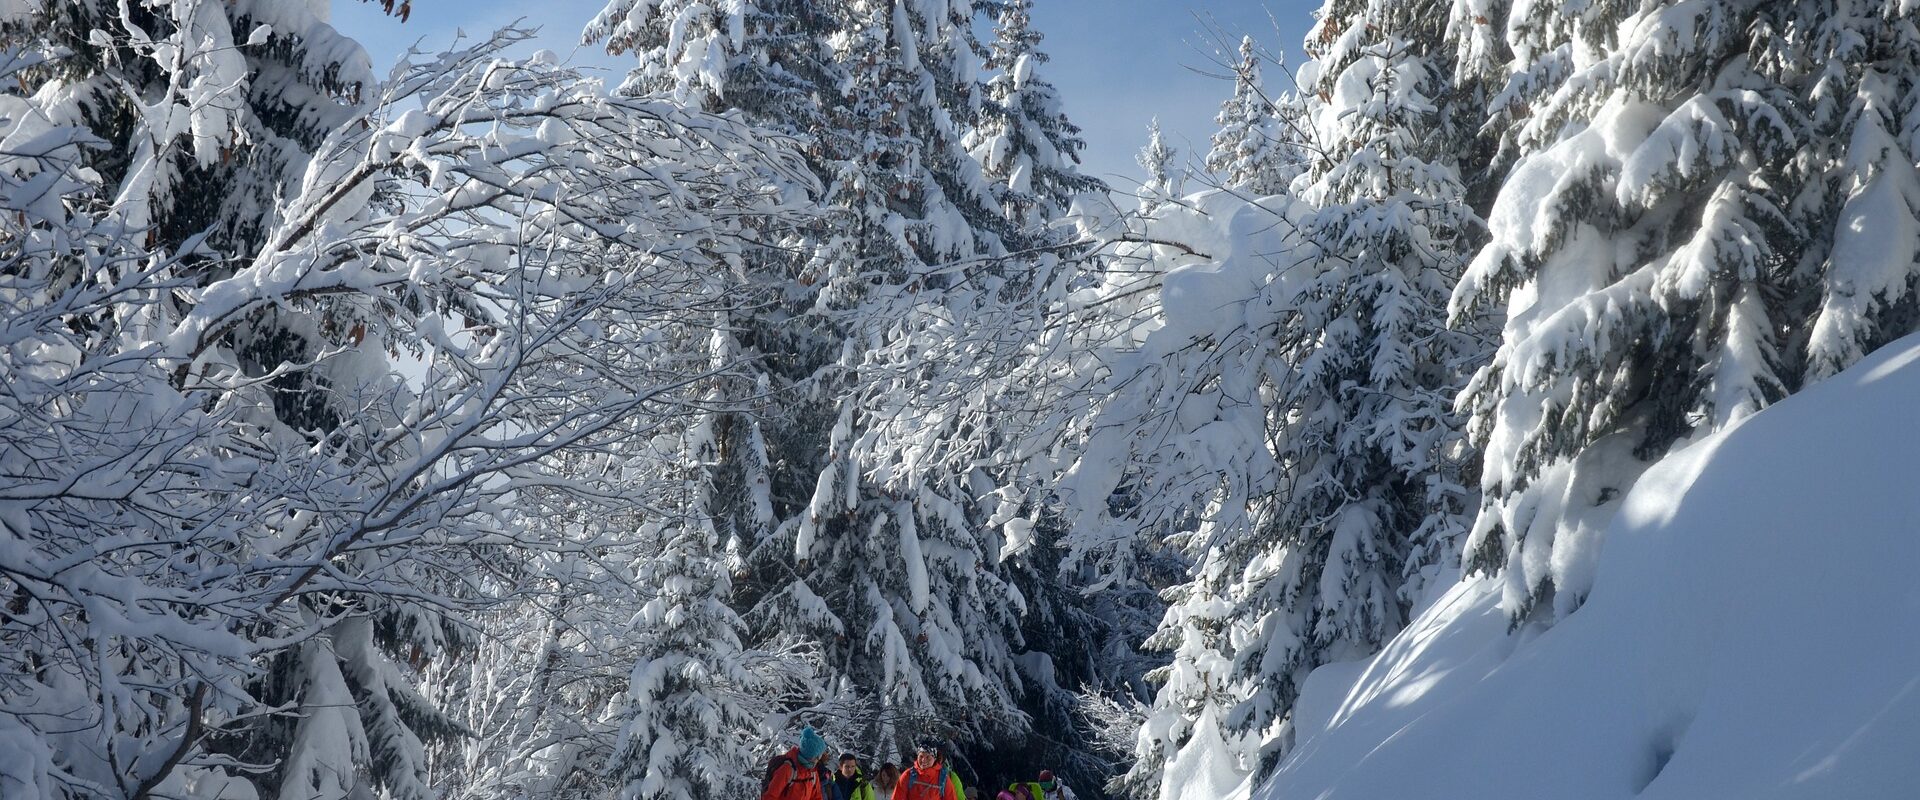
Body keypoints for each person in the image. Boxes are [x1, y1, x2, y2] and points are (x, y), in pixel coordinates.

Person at [762, 726, 833, 800]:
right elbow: (770, 796)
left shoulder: (813, 773)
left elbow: (816, 797)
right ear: (812, 757)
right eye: (818, 757)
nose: (819, 760)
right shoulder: (788, 769)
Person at [891, 740, 964, 800]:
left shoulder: (943, 778)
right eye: (921, 756)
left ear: (934, 758)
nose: (923, 760)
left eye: (928, 757)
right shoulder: (908, 775)